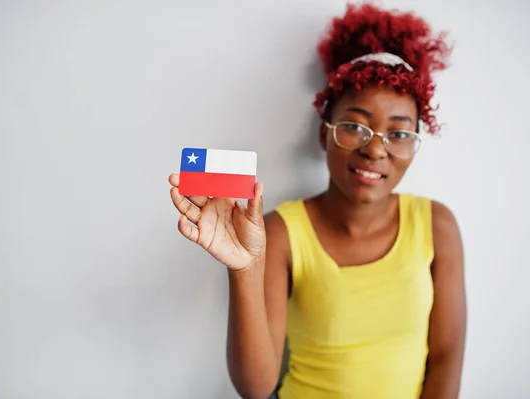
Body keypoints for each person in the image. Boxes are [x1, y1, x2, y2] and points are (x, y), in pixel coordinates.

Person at [168, 3, 466, 398]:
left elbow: (445, 358)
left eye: (398, 134)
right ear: (325, 134)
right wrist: (244, 268)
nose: (375, 151)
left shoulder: (437, 225)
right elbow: (256, 387)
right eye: (354, 126)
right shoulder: (281, 232)